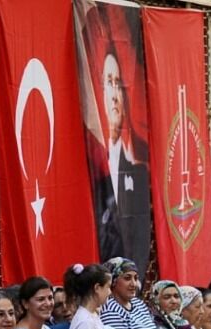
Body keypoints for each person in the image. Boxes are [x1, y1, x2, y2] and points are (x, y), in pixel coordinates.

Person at [92, 48, 152, 272]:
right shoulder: (93, 172)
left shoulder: (138, 171)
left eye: (119, 84)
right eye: (109, 82)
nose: (116, 94)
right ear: (101, 93)